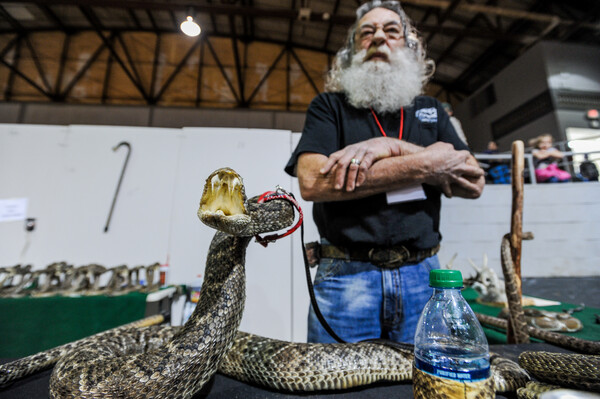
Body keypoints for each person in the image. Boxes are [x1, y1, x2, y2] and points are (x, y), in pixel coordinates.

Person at [284, 0, 484, 344]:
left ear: (409, 47)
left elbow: (474, 180)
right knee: (338, 387)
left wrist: (389, 147)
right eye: (367, 32)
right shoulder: (329, 106)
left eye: (391, 31)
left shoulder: (431, 110)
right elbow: (313, 180)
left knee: (423, 385)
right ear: (351, 50)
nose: (379, 38)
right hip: (347, 276)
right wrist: (429, 161)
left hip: (424, 275)